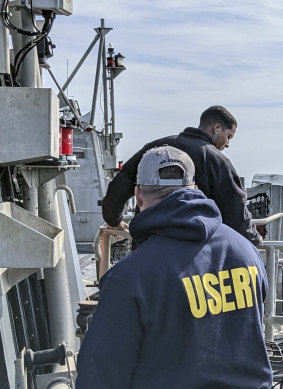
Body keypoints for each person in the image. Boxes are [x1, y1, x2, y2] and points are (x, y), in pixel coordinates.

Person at [76, 146, 272, 388]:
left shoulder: (129, 278)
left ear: (138, 196)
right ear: (195, 189)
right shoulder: (247, 253)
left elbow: (99, 376)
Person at [101, 105, 262, 246]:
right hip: (193, 254)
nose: (227, 144)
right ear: (217, 128)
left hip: (148, 246)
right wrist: (254, 239)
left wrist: (113, 220)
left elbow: (121, 183)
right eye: (229, 137)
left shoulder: (156, 148)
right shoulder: (217, 160)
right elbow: (235, 210)